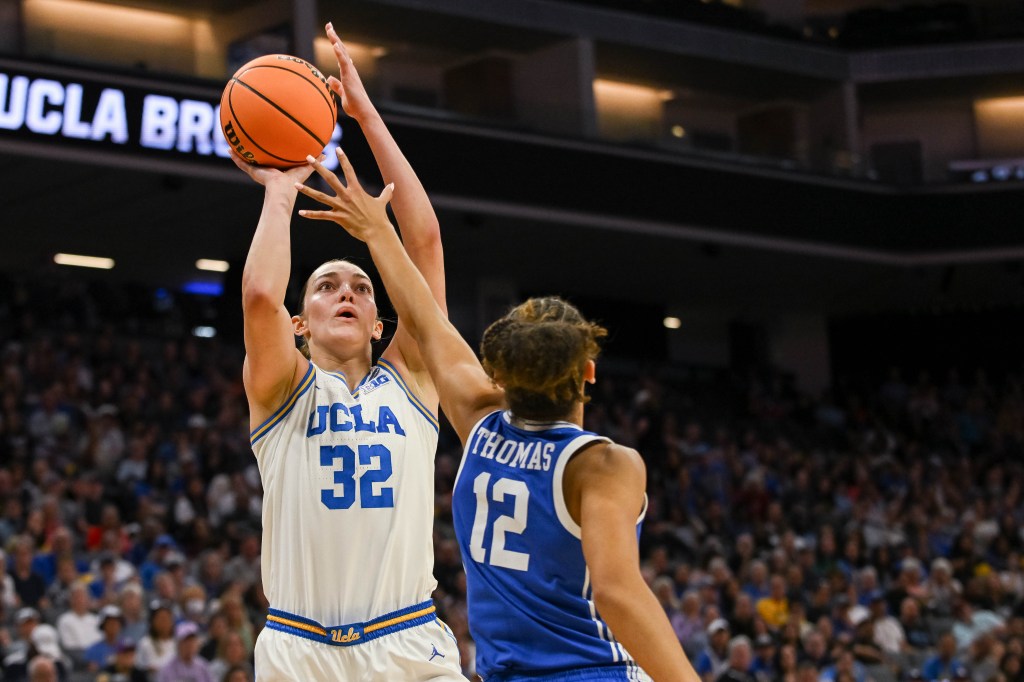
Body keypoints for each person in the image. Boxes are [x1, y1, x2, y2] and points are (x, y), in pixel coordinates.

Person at [294, 150, 700, 680]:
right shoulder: (602, 465)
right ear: (590, 374)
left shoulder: (477, 425)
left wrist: (376, 230)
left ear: (500, 375)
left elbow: (420, 309)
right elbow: (617, 593)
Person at [229, 22, 462, 682]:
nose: (347, 293)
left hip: (408, 641)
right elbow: (256, 298)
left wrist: (364, 117)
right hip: (299, 648)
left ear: (381, 325)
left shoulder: (414, 379)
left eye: (360, 286)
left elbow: (425, 245)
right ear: (299, 324)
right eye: (327, 286)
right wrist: (279, 193)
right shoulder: (279, 387)